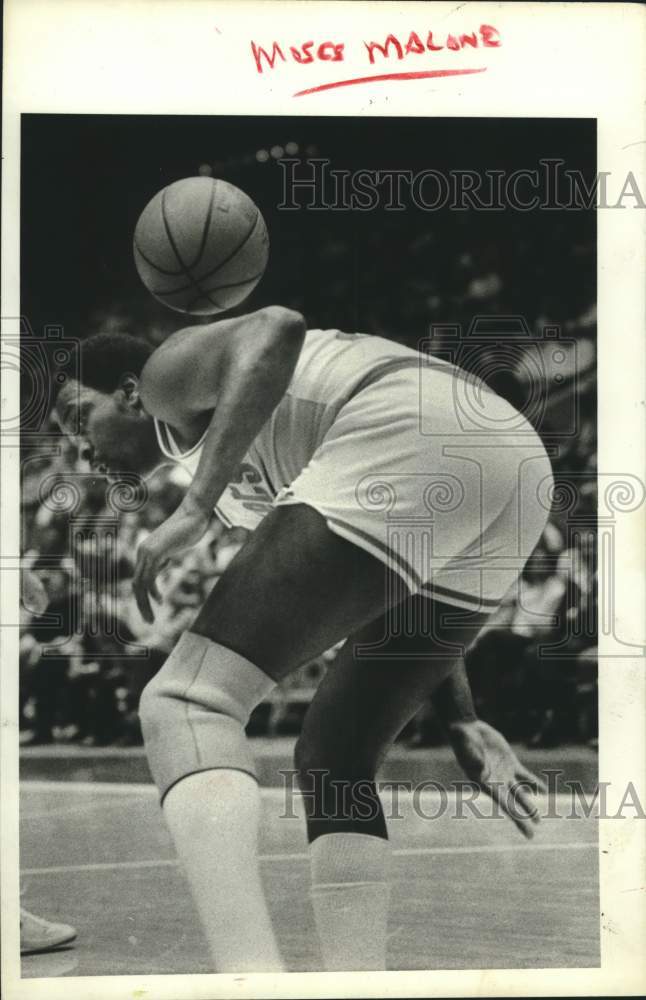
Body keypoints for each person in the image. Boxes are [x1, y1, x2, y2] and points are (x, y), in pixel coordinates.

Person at [55, 307, 552, 972]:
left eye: (76, 421)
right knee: (335, 758)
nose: (79, 452)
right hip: (511, 467)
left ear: (126, 393)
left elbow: (279, 326)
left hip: (409, 420)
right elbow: (394, 581)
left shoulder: (166, 375)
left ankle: (250, 979)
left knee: (185, 703)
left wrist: (195, 506)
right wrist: (461, 716)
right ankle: (357, 983)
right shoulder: (233, 467)